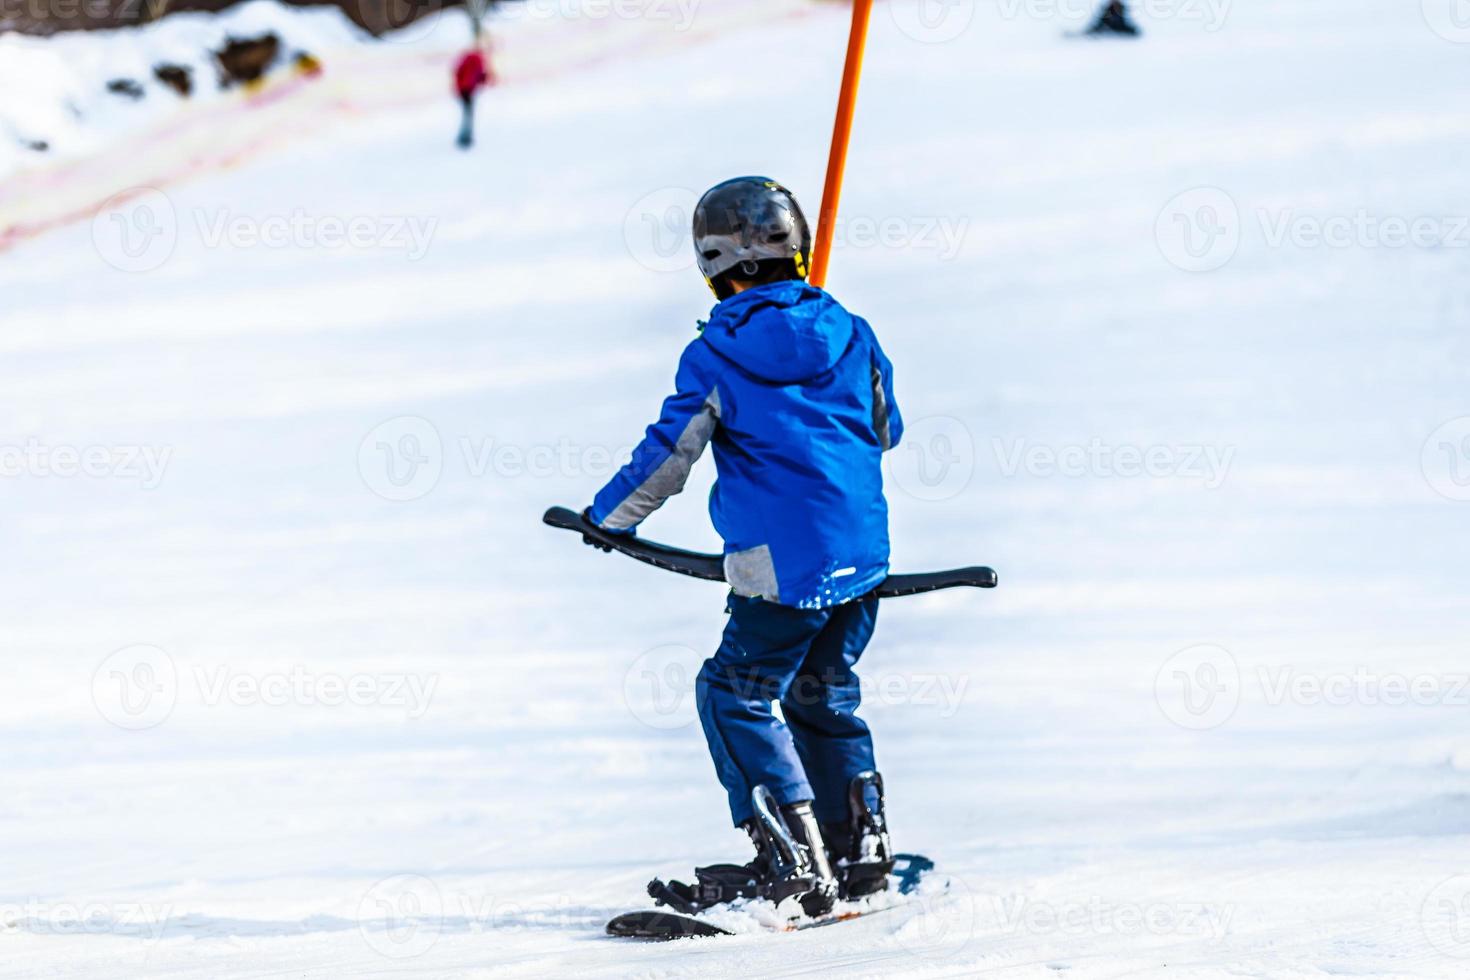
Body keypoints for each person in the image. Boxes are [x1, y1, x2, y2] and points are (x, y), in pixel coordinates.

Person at [584, 177, 903, 916]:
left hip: (782, 570)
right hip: (864, 561)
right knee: (823, 691)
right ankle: (861, 844)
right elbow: (887, 428)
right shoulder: (852, 330)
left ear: (713, 265)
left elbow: (671, 454)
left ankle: (792, 858)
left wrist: (611, 518)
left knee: (734, 693)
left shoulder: (716, 354)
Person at [452, 39, 495, 149]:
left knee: (467, 114)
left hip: (463, 90)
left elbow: (459, 72)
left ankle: (465, 137)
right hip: (467, 90)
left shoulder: (469, 57)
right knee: (468, 114)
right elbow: (478, 75)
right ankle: (465, 138)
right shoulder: (477, 59)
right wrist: (486, 78)